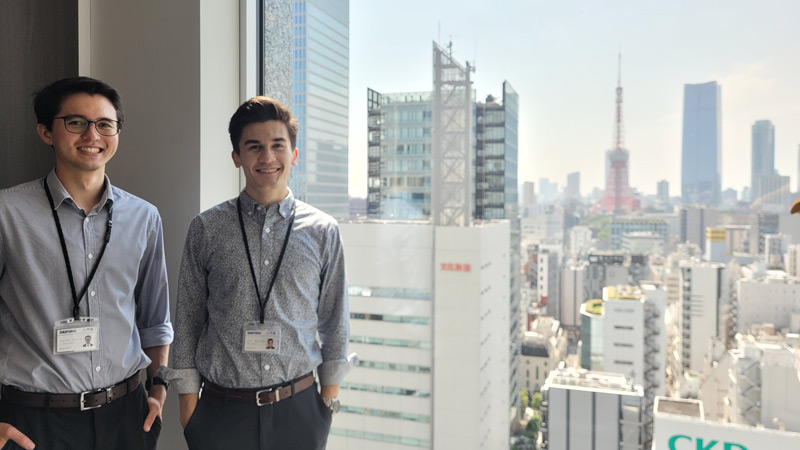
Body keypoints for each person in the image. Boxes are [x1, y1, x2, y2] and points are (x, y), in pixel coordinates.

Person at [168, 96, 352, 450]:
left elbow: (335, 318)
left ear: (294, 155)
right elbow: (188, 319)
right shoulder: (207, 228)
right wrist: (188, 409)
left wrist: (326, 404)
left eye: (277, 146)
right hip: (221, 413)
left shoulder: (322, 230)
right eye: (254, 147)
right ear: (237, 157)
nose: (267, 158)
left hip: (299, 410)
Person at [0, 77, 173, 450]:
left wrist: (158, 390)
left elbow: (156, 321)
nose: (92, 135)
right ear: (46, 132)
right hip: (34, 422)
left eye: (105, 124)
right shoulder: (7, 214)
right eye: (76, 123)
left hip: (126, 417)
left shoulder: (144, 217)